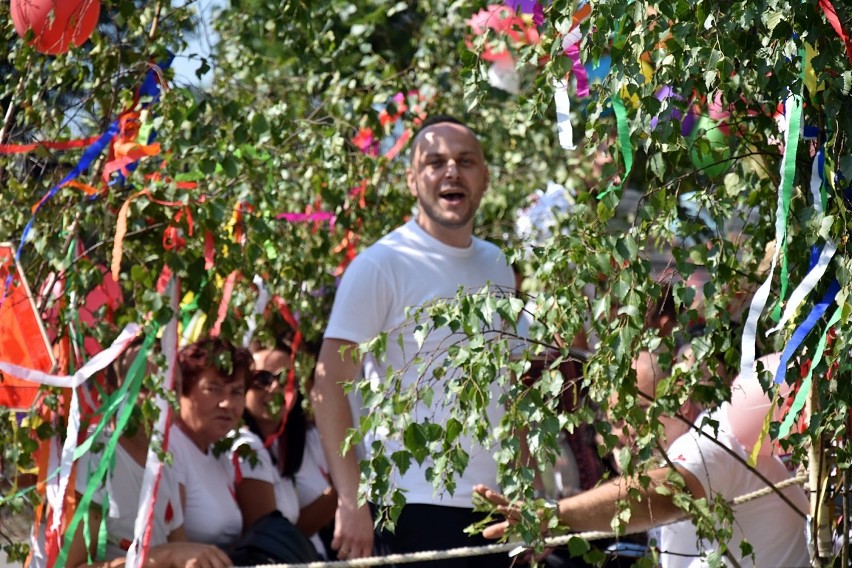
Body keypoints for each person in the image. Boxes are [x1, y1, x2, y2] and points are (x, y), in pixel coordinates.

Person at [312, 115, 516, 565]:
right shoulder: (382, 264)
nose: (451, 172)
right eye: (435, 162)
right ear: (412, 179)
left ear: (484, 177)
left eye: (465, 161)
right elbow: (328, 385)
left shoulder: (500, 265)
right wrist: (352, 500)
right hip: (408, 506)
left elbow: (510, 386)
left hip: (493, 509)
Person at [474, 350, 810, 567]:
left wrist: (554, 516)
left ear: (678, 403)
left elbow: (660, 495)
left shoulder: (711, 443)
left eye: (636, 416)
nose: (624, 432)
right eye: (616, 420)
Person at [66, 339, 232, 568]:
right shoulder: (93, 457)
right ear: (113, 391)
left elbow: (179, 549)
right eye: (144, 387)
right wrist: (163, 557)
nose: (160, 400)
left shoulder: (167, 464)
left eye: (172, 388)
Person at [168, 337, 253, 549]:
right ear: (181, 390)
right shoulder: (170, 448)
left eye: (236, 392)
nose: (227, 403)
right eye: (213, 389)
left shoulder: (218, 453)